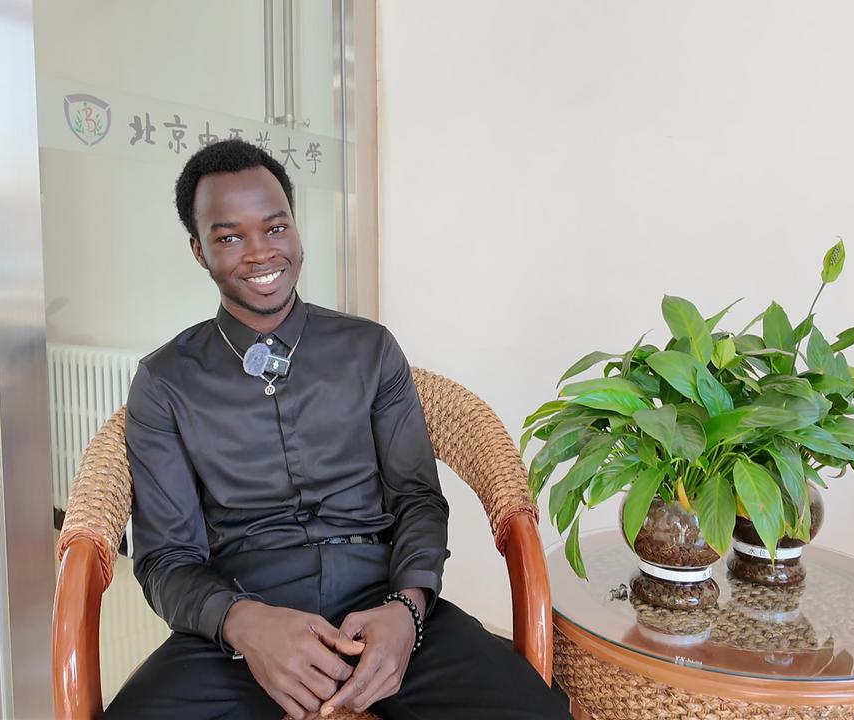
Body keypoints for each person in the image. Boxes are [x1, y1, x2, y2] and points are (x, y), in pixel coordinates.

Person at [104, 139, 571, 720]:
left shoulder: (370, 349)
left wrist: (407, 609)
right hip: (245, 621)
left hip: (381, 602)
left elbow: (418, 499)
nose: (260, 252)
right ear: (199, 251)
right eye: (229, 238)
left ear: (296, 231)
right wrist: (246, 624)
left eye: (276, 228)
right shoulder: (165, 381)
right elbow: (167, 558)